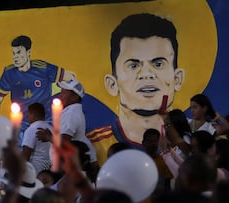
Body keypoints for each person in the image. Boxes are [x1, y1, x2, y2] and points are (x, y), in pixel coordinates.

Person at [99, 13, 185, 151]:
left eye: (158, 64)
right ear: (112, 84)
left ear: (177, 79)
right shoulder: (96, 145)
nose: (146, 74)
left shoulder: (191, 143)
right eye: (133, 65)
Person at [0, 35, 75, 146]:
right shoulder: (9, 73)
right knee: (22, 158)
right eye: (14, 53)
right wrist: (0, 126)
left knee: (47, 158)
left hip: (46, 124)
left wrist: (62, 99)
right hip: (22, 127)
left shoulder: (42, 68)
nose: (15, 57)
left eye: (19, 53)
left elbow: (71, 77)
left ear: (28, 52)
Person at [37, 79, 98, 172]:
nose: (60, 96)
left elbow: (65, 142)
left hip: (71, 165)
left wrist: (49, 137)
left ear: (75, 97)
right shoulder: (71, 111)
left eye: (64, 93)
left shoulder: (72, 113)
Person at [21, 102, 52, 174]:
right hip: (49, 172)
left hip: (35, 171)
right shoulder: (52, 129)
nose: (27, 118)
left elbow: (26, 154)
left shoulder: (32, 129)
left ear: (32, 114)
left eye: (28, 115)